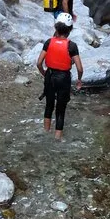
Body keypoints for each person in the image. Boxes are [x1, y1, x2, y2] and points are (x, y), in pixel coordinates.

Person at [36, 12, 83, 141]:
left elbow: (39, 63)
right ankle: (57, 139)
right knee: (60, 109)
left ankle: (46, 132)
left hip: (50, 75)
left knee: (49, 105)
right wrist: (79, 80)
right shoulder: (71, 46)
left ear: (56, 27)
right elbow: (79, 68)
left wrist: (44, 74)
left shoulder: (48, 42)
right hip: (63, 78)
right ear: (70, 29)